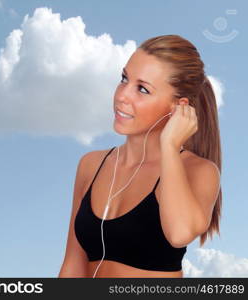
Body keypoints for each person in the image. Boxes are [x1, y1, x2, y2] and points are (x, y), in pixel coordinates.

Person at [58, 34, 222, 278]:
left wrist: (169, 145)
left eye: (142, 89)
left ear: (178, 107)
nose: (122, 96)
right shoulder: (91, 165)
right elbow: (73, 264)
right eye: (124, 79)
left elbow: (179, 233)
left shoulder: (199, 171)